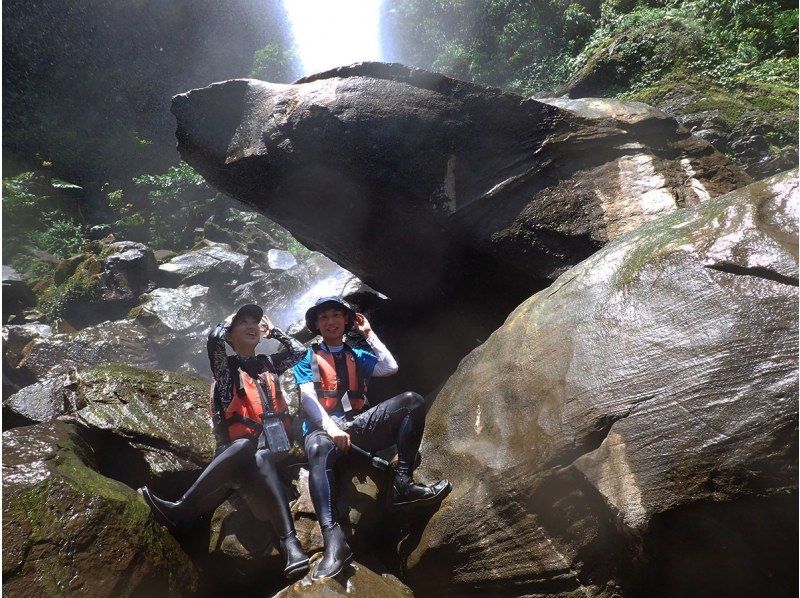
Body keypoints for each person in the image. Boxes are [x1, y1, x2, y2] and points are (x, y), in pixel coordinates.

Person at [138, 304, 310, 579]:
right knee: (246, 449)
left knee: (261, 455)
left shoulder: (268, 363)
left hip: (272, 448)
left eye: (255, 320)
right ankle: (289, 544)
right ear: (230, 334)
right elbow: (213, 344)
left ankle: (290, 545)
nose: (252, 324)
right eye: (244, 322)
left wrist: (275, 332)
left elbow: (299, 353)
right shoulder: (226, 370)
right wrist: (226, 323)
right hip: (237, 454)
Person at [292, 296, 451, 580]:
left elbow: (390, 367)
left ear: (345, 321)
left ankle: (402, 485)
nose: (330, 322)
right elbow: (307, 397)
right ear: (317, 324)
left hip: (357, 426)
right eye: (324, 317)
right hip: (324, 431)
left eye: (336, 316)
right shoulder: (307, 356)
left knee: (412, 402)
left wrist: (369, 334)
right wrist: (332, 429)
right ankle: (334, 542)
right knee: (317, 446)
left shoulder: (357, 355)